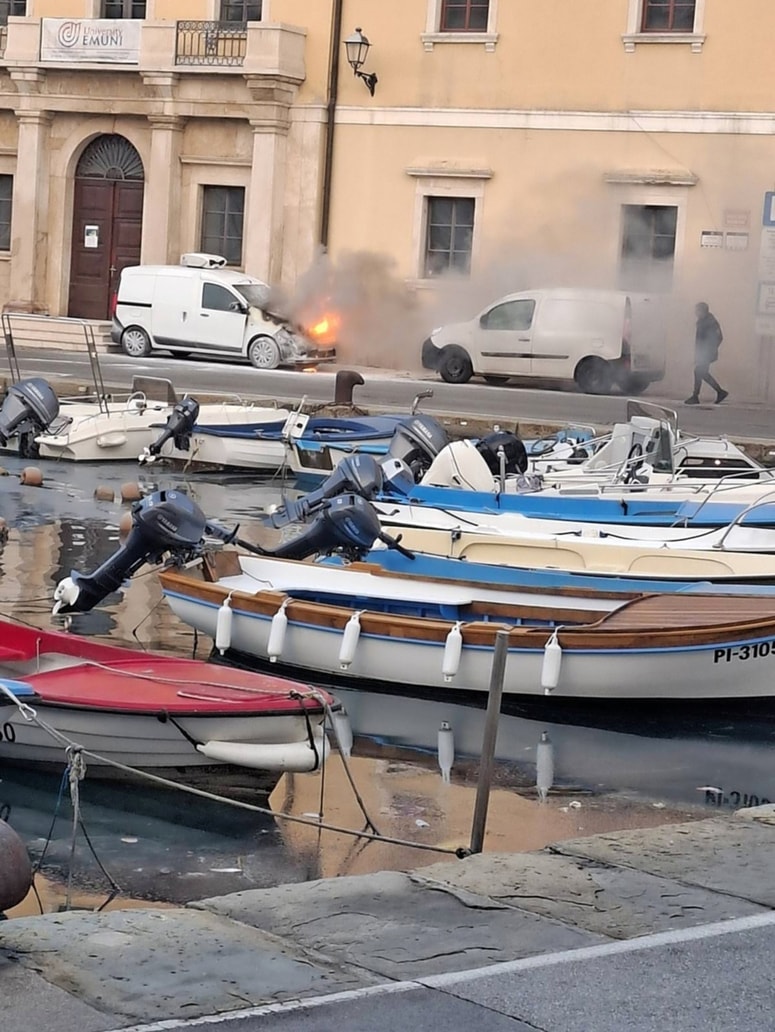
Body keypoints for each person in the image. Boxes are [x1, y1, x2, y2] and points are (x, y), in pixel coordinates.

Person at [685, 302, 728, 405]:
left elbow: (719, 337)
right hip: (702, 352)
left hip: (707, 352)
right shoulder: (702, 321)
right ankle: (719, 392)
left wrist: (709, 350)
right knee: (701, 373)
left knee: (699, 372)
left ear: (703, 311)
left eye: (697, 310)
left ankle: (696, 396)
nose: (695, 312)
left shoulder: (711, 322)